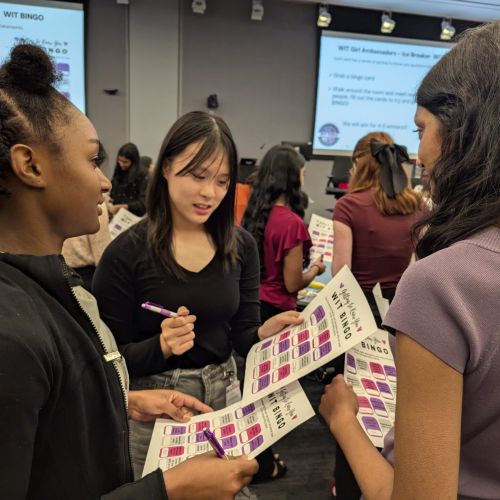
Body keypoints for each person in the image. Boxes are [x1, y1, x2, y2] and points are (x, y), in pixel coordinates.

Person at [0, 44, 259, 499]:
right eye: (92, 159)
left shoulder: (51, 288)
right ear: (31, 165)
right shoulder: (15, 327)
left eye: (221, 180)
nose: (105, 182)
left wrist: (123, 399)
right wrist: (168, 490)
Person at [320, 21, 500, 499]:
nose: (417, 154)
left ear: (462, 126)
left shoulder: (444, 282)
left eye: (422, 130)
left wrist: (342, 420)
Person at [92, 111, 303, 479]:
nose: (210, 193)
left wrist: (262, 336)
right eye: (197, 175)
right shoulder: (126, 253)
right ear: (166, 167)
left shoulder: (241, 247)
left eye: (222, 181)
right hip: (159, 405)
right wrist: (160, 346)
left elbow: (242, 335)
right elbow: (107, 363)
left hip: (225, 393)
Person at [331, 132, 424, 325]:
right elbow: (420, 263)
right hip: (402, 310)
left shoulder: (348, 205)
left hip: (358, 311)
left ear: (358, 162)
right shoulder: (419, 205)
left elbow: (340, 272)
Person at [242, 144, 326, 322]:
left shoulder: (253, 215)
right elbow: (293, 284)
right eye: (303, 173)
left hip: (249, 305)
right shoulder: (292, 224)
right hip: (277, 312)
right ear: (294, 178)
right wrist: (315, 269)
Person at [62, 143, 112, 291]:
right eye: (93, 164)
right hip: (86, 279)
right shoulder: (94, 204)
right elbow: (102, 255)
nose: (106, 183)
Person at [109, 142, 149, 217]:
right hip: (118, 216)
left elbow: (144, 203)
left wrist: (124, 206)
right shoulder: (119, 170)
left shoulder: (144, 175)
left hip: (134, 217)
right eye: (119, 160)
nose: (121, 164)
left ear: (133, 161)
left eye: (125, 162)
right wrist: (109, 198)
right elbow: (113, 191)